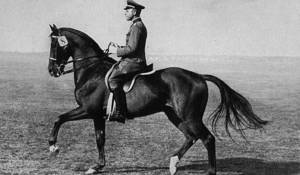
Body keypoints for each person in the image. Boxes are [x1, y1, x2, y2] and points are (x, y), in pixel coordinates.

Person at [108, 0, 147, 123]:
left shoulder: (137, 26)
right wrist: (119, 47)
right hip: (132, 60)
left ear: (134, 12)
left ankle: (121, 112)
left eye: (128, 10)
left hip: (134, 62)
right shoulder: (136, 25)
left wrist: (116, 51)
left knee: (112, 79)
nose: (125, 12)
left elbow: (132, 49)